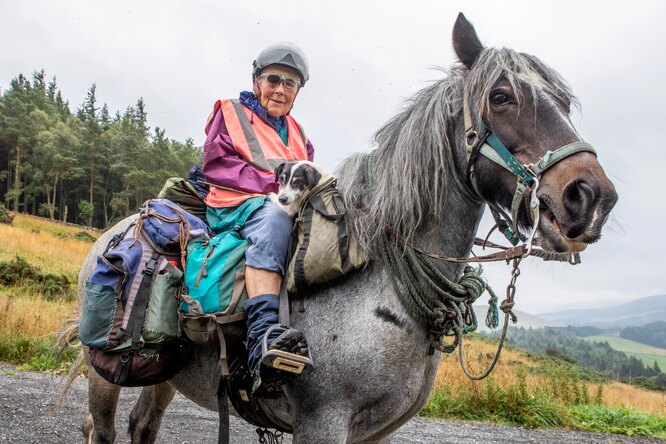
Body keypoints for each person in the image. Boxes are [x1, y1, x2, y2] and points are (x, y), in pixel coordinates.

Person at [202, 42, 315, 394]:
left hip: (279, 202)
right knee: (277, 219)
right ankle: (262, 336)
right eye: (273, 80)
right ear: (257, 82)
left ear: (297, 92)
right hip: (234, 202)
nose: (280, 89)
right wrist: (272, 185)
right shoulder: (231, 112)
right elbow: (217, 164)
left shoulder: (299, 134)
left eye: (289, 84)